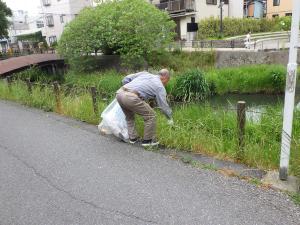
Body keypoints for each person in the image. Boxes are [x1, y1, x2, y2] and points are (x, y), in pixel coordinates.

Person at [116, 69, 173, 147]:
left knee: (129, 117)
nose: (166, 84)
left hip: (119, 93)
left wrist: (129, 90)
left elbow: (126, 79)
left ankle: (133, 138)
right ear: (165, 78)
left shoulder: (145, 74)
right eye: (167, 81)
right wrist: (169, 118)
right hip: (130, 97)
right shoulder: (159, 86)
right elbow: (163, 105)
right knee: (151, 115)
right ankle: (148, 141)